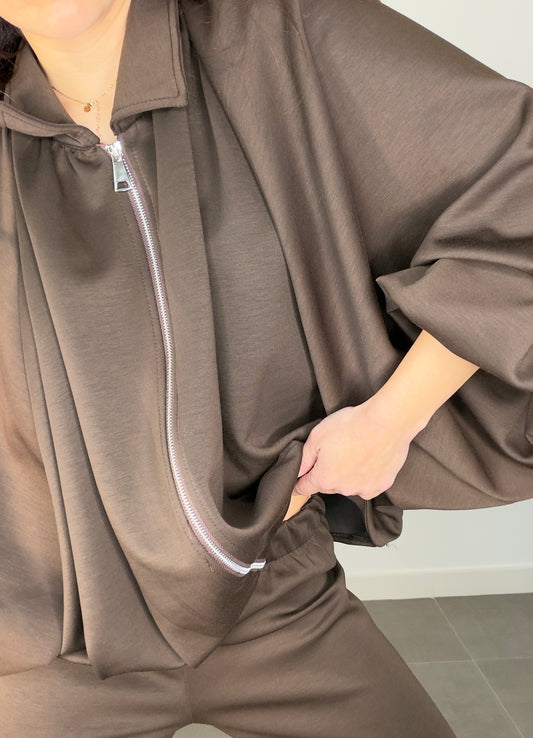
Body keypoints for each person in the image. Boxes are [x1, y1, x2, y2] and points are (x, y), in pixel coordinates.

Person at [0, 0, 531, 736]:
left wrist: (391, 420)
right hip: (53, 632)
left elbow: (521, 183)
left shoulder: (276, 36)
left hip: (277, 596)